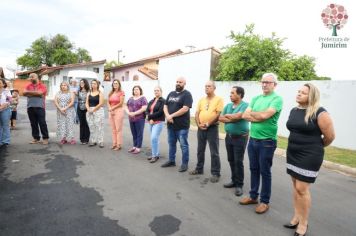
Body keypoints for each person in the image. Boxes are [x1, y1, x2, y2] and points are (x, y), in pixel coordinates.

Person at [284, 83, 335, 236]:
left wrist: (314, 148)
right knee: (295, 186)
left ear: (311, 96)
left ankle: (303, 223)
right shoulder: (294, 110)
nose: (298, 94)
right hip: (292, 152)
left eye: (303, 93)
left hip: (309, 155)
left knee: (302, 189)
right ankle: (296, 217)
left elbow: (330, 137)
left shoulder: (320, 112)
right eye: (298, 91)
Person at [239, 72, 283, 214]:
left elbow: (265, 115)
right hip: (253, 139)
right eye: (263, 82)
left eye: (268, 82)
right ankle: (253, 196)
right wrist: (260, 117)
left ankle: (265, 201)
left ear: (274, 85)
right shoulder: (256, 98)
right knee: (254, 168)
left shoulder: (277, 99)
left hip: (267, 142)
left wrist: (257, 115)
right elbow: (244, 115)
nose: (264, 84)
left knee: (265, 171)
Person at [189, 81, 223, 182]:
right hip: (201, 128)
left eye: (209, 86)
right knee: (200, 150)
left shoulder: (219, 99)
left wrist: (208, 124)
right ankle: (199, 169)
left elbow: (218, 115)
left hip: (212, 128)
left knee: (214, 152)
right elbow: (196, 113)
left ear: (214, 88)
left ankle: (216, 173)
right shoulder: (201, 100)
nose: (206, 88)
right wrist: (198, 124)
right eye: (205, 86)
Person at [219, 86, 249, 196]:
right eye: (230, 93)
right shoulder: (228, 105)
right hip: (229, 137)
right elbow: (220, 118)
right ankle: (234, 180)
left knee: (238, 161)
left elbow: (239, 116)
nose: (230, 95)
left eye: (232, 93)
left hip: (240, 137)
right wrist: (231, 118)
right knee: (231, 159)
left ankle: (239, 185)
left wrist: (230, 118)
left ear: (239, 95)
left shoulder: (245, 105)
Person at [161, 77, 193, 172]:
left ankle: (184, 164)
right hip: (171, 125)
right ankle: (171, 161)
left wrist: (171, 116)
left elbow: (185, 109)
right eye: (177, 82)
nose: (178, 83)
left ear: (184, 83)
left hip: (182, 126)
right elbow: (165, 106)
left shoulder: (187, 94)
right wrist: (167, 115)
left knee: (183, 145)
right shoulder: (171, 93)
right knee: (171, 144)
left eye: (180, 82)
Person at [23, 73, 49, 145]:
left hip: (40, 107)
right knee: (33, 124)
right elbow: (24, 93)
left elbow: (40, 93)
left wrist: (29, 94)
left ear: (37, 77)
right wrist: (36, 93)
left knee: (42, 123)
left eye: (32, 77)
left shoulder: (42, 85)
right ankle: (36, 138)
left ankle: (45, 138)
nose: (31, 78)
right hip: (30, 107)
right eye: (30, 77)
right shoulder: (28, 85)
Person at [125, 85, 147, 154]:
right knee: (134, 133)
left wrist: (134, 113)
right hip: (131, 118)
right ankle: (134, 146)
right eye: (134, 89)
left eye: (137, 89)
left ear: (140, 90)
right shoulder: (130, 98)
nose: (136, 91)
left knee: (139, 133)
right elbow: (125, 106)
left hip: (140, 119)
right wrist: (128, 112)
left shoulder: (143, 98)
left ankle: (138, 147)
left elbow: (144, 108)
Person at [145, 86, 165, 163]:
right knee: (154, 139)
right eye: (155, 91)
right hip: (151, 122)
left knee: (154, 138)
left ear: (161, 91)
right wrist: (149, 118)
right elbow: (147, 110)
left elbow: (160, 112)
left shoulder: (163, 101)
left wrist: (149, 117)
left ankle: (155, 156)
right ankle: (155, 154)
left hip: (159, 122)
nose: (156, 92)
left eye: (158, 90)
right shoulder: (151, 100)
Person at [85, 79, 105, 148]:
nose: (93, 85)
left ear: (97, 85)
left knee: (99, 126)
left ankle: (101, 141)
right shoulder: (88, 93)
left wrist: (93, 110)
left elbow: (101, 103)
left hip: (98, 111)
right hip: (89, 111)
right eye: (92, 83)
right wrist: (88, 109)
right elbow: (86, 103)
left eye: (95, 84)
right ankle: (93, 141)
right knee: (91, 126)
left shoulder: (100, 93)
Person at [107, 79, 125, 150]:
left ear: (119, 84)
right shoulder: (111, 93)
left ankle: (119, 145)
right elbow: (108, 102)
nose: (115, 84)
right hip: (111, 111)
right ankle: (114, 144)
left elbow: (121, 103)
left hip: (118, 111)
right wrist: (109, 108)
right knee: (113, 129)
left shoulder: (121, 92)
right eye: (114, 83)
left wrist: (112, 108)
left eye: (116, 83)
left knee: (118, 129)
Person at [77, 79, 90, 144]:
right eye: (80, 82)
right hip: (79, 108)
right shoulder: (78, 91)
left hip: (87, 109)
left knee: (86, 124)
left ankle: (86, 139)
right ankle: (82, 139)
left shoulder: (89, 91)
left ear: (85, 83)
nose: (81, 83)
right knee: (81, 124)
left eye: (82, 82)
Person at [0, 78, 12, 147]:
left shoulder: (6, 91)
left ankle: (5, 141)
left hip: (5, 109)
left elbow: (9, 100)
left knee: (5, 125)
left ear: (3, 84)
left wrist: (4, 106)